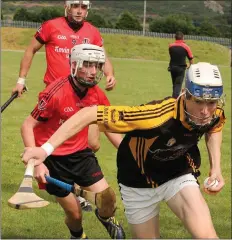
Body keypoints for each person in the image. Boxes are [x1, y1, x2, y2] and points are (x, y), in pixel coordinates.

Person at [23, 62, 226, 239]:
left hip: (176, 175)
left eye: (211, 102)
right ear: (185, 95)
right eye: (199, 102)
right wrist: (46, 150)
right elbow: (88, 113)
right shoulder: (155, 115)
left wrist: (215, 168)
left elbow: (214, 128)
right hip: (137, 183)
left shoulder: (214, 113)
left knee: (206, 236)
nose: (205, 111)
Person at [12, 0, 117, 211]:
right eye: (75, 6)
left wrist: (109, 73)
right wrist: (21, 80)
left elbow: (102, 56)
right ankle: (70, 189)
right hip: (56, 97)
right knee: (59, 143)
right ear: (67, 7)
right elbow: (30, 50)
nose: (79, 11)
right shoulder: (51, 26)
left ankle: (77, 185)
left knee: (92, 144)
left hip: (85, 95)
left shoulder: (93, 31)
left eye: (84, 7)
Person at [21, 44, 125, 239]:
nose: (94, 72)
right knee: (75, 215)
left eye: (97, 66)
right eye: (88, 65)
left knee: (108, 200)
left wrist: (129, 153)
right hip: (53, 160)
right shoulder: (55, 92)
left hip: (81, 155)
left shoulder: (97, 94)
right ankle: (77, 235)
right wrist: (38, 163)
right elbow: (27, 126)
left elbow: (109, 127)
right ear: (75, 65)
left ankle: (104, 218)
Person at [168, 31, 194, 98]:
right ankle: (174, 100)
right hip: (181, 68)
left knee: (174, 84)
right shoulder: (186, 47)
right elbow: (191, 58)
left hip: (172, 67)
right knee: (178, 85)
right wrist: (190, 66)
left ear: (175, 38)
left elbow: (173, 56)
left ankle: (173, 98)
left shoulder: (170, 46)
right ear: (183, 38)